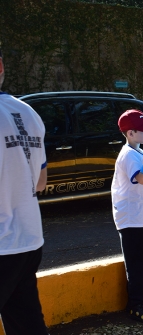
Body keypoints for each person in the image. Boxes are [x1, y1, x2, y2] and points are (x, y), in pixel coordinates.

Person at [0, 48, 49, 334]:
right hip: (29, 241)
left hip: (3, 242)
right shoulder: (28, 112)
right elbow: (40, 183)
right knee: (27, 323)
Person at [112, 109, 143, 325]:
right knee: (137, 263)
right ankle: (137, 305)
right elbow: (142, 179)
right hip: (132, 219)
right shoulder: (129, 155)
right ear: (130, 133)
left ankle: (141, 301)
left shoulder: (139, 153)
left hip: (141, 217)